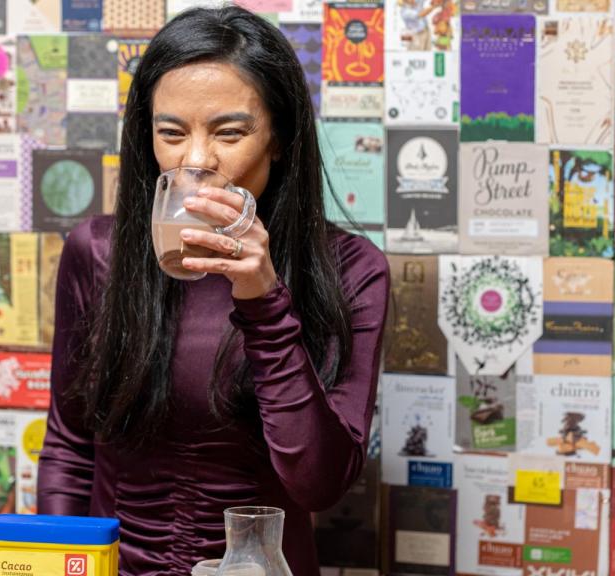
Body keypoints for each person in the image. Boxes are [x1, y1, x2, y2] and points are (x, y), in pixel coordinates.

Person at [37, 6, 389, 576]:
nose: (197, 161)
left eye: (229, 133)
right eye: (171, 134)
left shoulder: (350, 268)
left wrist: (264, 298)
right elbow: (70, 449)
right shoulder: (97, 254)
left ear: (280, 140)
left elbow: (320, 483)